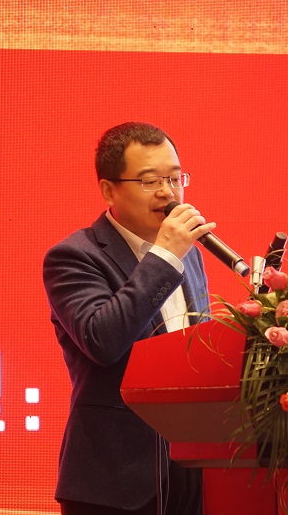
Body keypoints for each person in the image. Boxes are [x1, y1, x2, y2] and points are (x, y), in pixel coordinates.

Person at [43, 122, 215, 515]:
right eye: (150, 181)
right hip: (115, 480)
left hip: (190, 472)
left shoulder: (189, 254)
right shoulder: (75, 256)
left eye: (175, 179)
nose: (168, 193)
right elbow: (103, 340)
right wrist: (164, 257)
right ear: (109, 190)